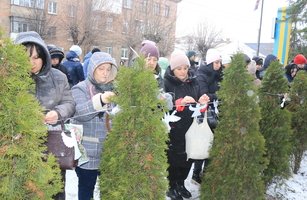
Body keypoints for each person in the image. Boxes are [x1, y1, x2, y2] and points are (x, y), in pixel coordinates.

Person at [15, 31, 75, 200]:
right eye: (26, 57)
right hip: (20, 146)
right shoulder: (11, 79)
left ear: (44, 56)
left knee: (54, 190)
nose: (31, 63)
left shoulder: (59, 77)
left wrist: (57, 113)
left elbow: (70, 103)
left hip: (53, 146)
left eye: (36, 57)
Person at [71, 52, 118, 200]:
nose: (105, 73)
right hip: (87, 152)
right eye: (101, 69)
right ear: (92, 69)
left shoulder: (114, 89)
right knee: (86, 190)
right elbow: (80, 113)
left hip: (108, 151)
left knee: (109, 188)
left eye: (108, 69)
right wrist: (100, 100)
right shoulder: (80, 88)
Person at [164, 50, 210, 200]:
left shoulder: (194, 81)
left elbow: (197, 105)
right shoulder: (167, 83)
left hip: (190, 126)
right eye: (179, 69)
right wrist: (179, 103)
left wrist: (202, 103)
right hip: (174, 128)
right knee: (174, 159)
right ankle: (171, 186)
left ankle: (181, 183)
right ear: (172, 69)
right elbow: (163, 105)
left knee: (188, 157)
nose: (183, 72)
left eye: (185, 68)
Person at [193, 48, 223, 185]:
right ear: (210, 62)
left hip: (215, 114)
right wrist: (219, 96)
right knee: (203, 145)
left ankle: (206, 173)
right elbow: (203, 95)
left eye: (220, 62)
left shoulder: (219, 75)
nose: (219, 65)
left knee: (212, 145)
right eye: (217, 62)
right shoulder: (202, 75)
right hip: (203, 114)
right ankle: (196, 174)